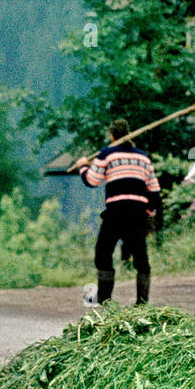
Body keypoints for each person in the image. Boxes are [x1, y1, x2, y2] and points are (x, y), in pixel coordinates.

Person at [72, 117, 163, 304]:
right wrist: (149, 210)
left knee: (103, 253)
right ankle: (142, 302)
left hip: (116, 212)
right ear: (128, 134)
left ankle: (105, 299)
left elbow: (91, 181)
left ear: (112, 136)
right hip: (137, 213)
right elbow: (154, 190)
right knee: (141, 258)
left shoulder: (107, 154)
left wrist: (82, 165)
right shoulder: (143, 157)